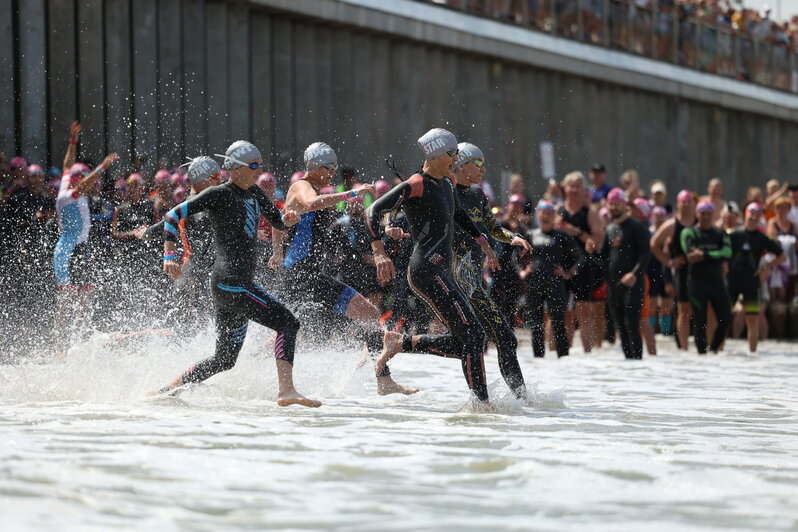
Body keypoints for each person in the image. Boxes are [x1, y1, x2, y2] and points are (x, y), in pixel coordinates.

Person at [151, 140, 320, 408]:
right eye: (254, 165)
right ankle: (286, 390)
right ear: (236, 168)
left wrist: (291, 217)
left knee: (224, 359)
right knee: (288, 323)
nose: (259, 170)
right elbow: (173, 215)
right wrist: (169, 255)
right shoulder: (218, 193)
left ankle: (165, 390)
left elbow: (278, 221)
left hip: (233, 286)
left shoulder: (254, 192)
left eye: (260, 165)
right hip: (231, 283)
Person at [271, 141, 417, 396]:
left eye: (334, 167)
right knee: (283, 330)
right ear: (315, 166)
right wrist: (351, 193)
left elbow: (279, 222)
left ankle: (383, 379)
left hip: (312, 275)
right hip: (299, 275)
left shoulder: (314, 189)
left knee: (370, 315)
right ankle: (248, 368)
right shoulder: (301, 187)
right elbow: (312, 203)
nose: (332, 172)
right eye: (329, 167)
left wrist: (386, 230)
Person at [366, 128, 500, 404]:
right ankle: (483, 406)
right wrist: (379, 252)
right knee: (474, 336)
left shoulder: (448, 183)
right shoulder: (417, 184)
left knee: (472, 340)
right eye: (452, 154)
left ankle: (401, 343)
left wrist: (483, 241)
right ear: (437, 154)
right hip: (425, 269)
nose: (455, 160)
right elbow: (373, 211)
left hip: (442, 271)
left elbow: (460, 215)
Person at [439, 141, 530, 397]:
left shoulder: (478, 195)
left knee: (471, 340)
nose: (484, 169)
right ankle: (521, 400)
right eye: (479, 163)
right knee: (503, 335)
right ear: (461, 164)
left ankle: (400, 343)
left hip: (473, 279)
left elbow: (491, 227)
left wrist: (512, 237)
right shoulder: (447, 190)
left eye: (485, 164)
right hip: (456, 277)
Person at [52, 119, 119, 353]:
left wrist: (72, 141)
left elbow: (67, 164)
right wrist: (102, 166)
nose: (94, 186)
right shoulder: (67, 196)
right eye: (89, 181)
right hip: (67, 252)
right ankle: (60, 348)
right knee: (66, 303)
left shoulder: (66, 186)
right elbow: (82, 185)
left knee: (85, 301)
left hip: (81, 250)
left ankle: (78, 344)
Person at [520, 200, 584, 358]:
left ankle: (563, 359)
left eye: (549, 214)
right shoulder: (530, 234)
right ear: (538, 215)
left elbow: (580, 257)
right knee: (536, 325)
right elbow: (515, 254)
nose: (545, 216)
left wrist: (568, 272)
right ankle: (538, 361)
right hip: (534, 283)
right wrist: (521, 270)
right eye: (543, 213)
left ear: (553, 216)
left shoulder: (561, 236)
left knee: (558, 323)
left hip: (555, 283)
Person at [556, 171, 604, 352]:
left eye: (578, 186)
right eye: (571, 186)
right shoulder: (559, 210)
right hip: (561, 265)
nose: (574, 189)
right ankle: (565, 358)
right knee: (563, 314)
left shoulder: (590, 213)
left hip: (583, 266)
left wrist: (575, 231)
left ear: (583, 189)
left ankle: (588, 357)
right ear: (565, 188)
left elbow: (596, 243)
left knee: (585, 312)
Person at [730, 202, 785, 352]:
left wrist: (766, 266)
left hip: (751, 281)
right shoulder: (733, 234)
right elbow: (722, 252)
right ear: (745, 214)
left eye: (757, 213)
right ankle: (718, 354)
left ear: (760, 216)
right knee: (723, 317)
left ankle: (753, 355)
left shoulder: (762, 237)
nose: (754, 216)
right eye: (751, 213)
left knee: (753, 318)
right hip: (732, 280)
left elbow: (782, 256)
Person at [603, 189, 651, 359]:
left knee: (632, 323)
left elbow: (646, 253)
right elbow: (604, 259)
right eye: (611, 204)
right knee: (621, 326)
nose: (614, 207)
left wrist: (634, 274)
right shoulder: (609, 229)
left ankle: (637, 362)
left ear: (624, 205)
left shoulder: (636, 226)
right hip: (614, 285)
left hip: (633, 283)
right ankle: (628, 367)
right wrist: (591, 251)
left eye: (617, 203)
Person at [681, 200, 732, 354]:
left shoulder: (720, 233)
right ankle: (701, 356)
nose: (705, 217)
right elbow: (690, 255)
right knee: (700, 321)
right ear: (697, 214)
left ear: (713, 215)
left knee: (725, 318)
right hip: (697, 283)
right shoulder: (689, 232)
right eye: (702, 213)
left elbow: (727, 254)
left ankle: (714, 351)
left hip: (717, 282)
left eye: (709, 214)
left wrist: (704, 254)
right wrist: (715, 255)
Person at [650, 189, 696, 351]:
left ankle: (706, 350)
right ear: (678, 204)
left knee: (703, 310)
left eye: (689, 201)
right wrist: (669, 262)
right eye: (683, 202)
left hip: (700, 272)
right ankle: (684, 349)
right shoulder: (671, 225)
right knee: (683, 310)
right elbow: (654, 244)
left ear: (694, 204)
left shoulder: (700, 223)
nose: (686, 204)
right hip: (682, 271)